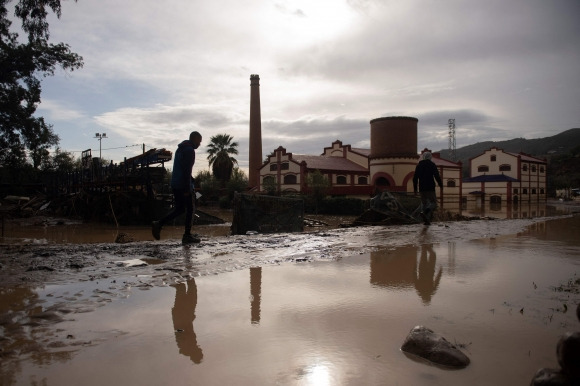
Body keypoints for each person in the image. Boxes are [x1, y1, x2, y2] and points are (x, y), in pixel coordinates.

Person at [152, 131, 202, 244]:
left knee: (180, 209)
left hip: (175, 183)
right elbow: (186, 170)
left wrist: (190, 178)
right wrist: (187, 188)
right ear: (194, 139)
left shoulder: (181, 149)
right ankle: (187, 236)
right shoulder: (190, 151)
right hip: (183, 185)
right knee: (190, 209)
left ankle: (159, 223)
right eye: (199, 141)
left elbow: (183, 168)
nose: (199, 144)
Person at [413, 151, 443, 225]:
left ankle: (426, 220)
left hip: (422, 188)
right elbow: (437, 176)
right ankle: (426, 212)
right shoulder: (432, 165)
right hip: (430, 187)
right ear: (430, 157)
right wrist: (441, 185)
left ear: (423, 157)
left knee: (424, 203)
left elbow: (415, 178)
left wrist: (415, 189)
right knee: (433, 203)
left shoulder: (419, 165)